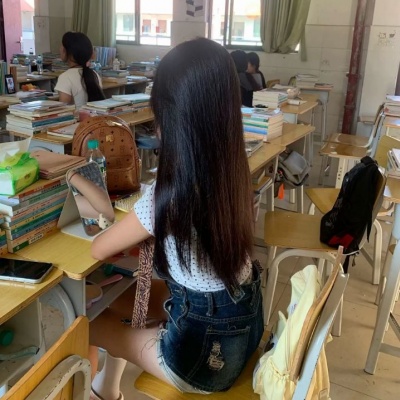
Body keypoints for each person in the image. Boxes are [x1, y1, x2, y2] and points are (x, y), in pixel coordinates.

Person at [88, 37, 264, 399]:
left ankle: (97, 391)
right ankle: (106, 389)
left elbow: (98, 249)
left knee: (90, 321)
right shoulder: (233, 175)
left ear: (171, 120)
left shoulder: (166, 197)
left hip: (201, 361)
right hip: (241, 331)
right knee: (130, 297)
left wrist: (81, 185)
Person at [55, 32, 105, 109]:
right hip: (92, 116)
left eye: (62, 46)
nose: (60, 49)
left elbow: (63, 110)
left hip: (76, 117)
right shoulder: (94, 74)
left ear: (67, 51)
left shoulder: (65, 77)